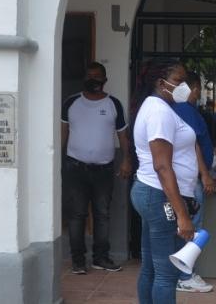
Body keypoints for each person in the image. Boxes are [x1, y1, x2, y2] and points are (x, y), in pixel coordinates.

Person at [130, 58, 198, 304]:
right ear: (161, 83)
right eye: (179, 81)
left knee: (151, 267)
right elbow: (162, 165)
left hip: (153, 193)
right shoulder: (159, 112)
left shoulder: (156, 107)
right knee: (166, 273)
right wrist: (182, 215)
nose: (184, 87)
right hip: (159, 196)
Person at [61, 62, 131, 274]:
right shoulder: (71, 102)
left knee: (102, 214)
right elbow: (62, 133)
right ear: (84, 78)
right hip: (75, 168)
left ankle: (101, 258)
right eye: (89, 75)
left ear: (105, 79)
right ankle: (78, 261)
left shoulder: (113, 104)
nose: (93, 79)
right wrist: (57, 161)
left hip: (104, 170)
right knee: (77, 215)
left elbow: (123, 136)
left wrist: (126, 159)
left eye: (97, 76)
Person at [169, 72, 216, 294]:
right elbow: (193, 144)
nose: (198, 95)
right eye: (198, 90)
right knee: (191, 227)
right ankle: (185, 275)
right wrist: (205, 174)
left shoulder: (177, 109)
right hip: (190, 179)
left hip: (187, 176)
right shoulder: (186, 110)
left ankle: (181, 274)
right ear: (194, 89)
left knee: (185, 226)